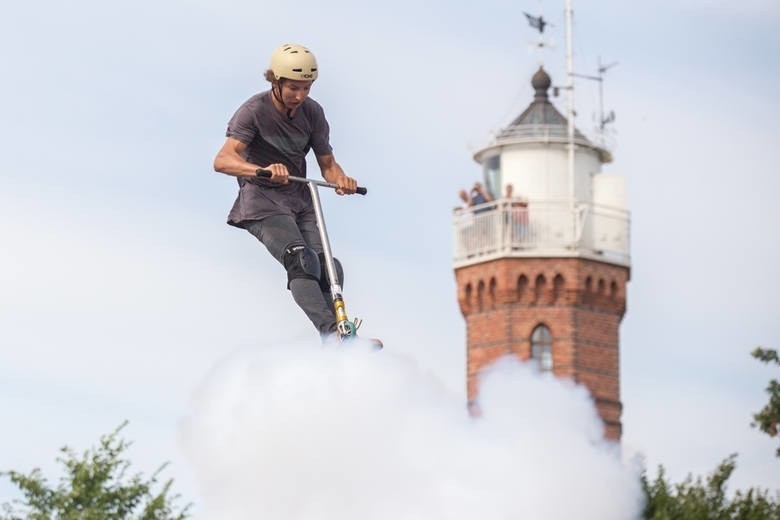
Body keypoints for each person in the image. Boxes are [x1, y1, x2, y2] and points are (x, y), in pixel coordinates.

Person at [213, 43, 359, 340]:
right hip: (262, 203)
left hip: (300, 201)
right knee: (300, 259)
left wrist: (342, 179)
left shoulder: (313, 113)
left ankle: (343, 338)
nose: (300, 96)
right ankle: (331, 335)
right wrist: (262, 170)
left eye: (307, 88)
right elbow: (223, 160)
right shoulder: (253, 111)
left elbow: (328, 165)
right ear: (275, 82)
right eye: (293, 88)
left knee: (328, 265)